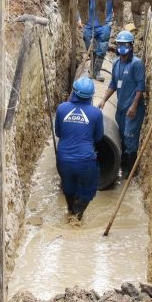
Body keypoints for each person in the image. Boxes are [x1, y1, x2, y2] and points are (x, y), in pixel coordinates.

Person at [55, 77, 104, 221]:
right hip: (85, 161)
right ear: (91, 96)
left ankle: (70, 211)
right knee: (88, 188)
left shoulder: (62, 108)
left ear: (74, 93)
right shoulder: (96, 113)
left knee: (68, 188)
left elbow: (58, 133)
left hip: (63, 160)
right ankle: (78, 215)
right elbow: (98, 137)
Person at [98, 30, 145, 173]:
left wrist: (134, 106)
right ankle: (123, 164)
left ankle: (129, 171)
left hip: (133, 108)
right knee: (122, 136)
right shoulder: (116, 62)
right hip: (121, 107)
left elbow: (140, 87)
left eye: (125, 44)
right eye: (120, 44)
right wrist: (104, 100)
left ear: (131, 46)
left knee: (130, 137)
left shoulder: (136, 64)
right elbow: (113, 83)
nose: (122, 47)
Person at [80, 0, 113, 81]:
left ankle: (97, 71)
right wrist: (79, 19)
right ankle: (92, 66)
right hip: (89, 24)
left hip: (104, 24)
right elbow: (82, 4)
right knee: (87, 40)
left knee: (102, 48)